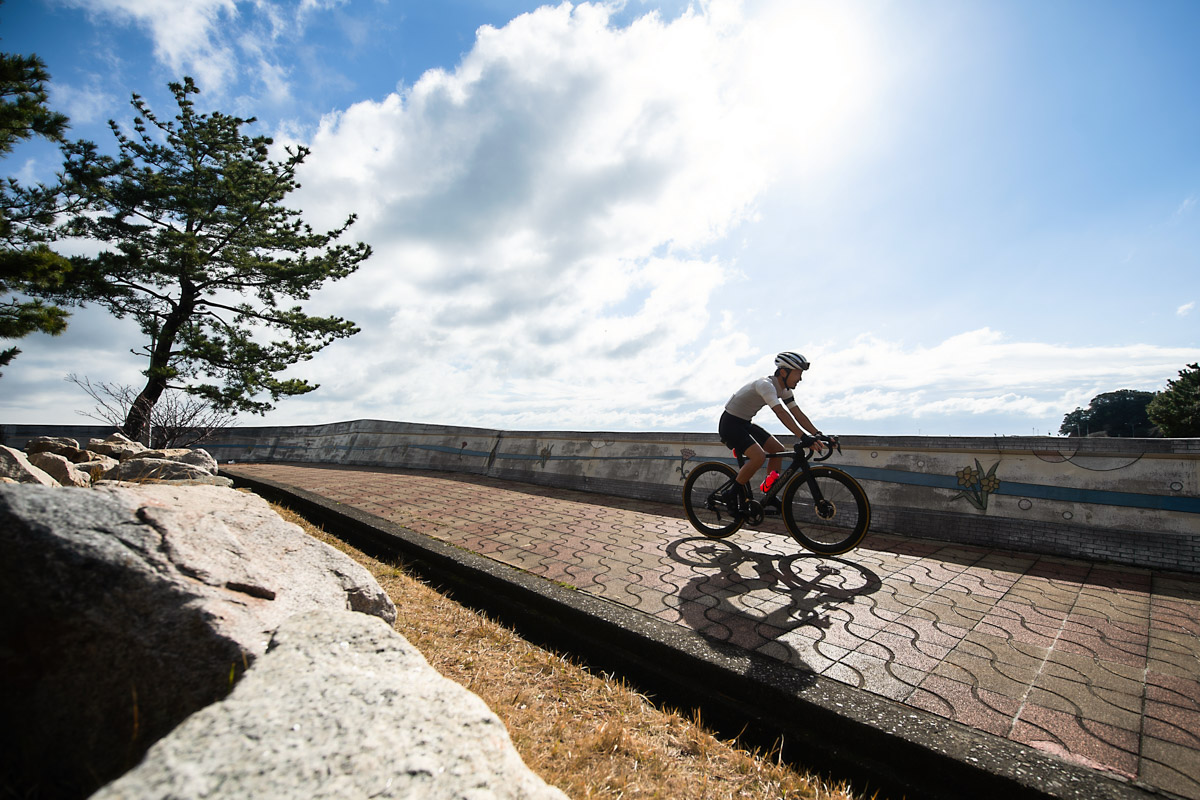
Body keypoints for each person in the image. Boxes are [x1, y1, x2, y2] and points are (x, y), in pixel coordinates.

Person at [718, 351, 825, 513]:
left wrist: (818, 434)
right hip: (730, 424)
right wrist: (803, 437)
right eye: (798, 374)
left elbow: (798, 414)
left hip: (745, 423)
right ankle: (730, 493)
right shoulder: (765, 385)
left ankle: (769, 492)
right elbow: (781, 413)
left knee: (778, 450)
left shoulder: (784, 390)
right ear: (783, 372)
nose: (800, 379)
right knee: (759, 457)